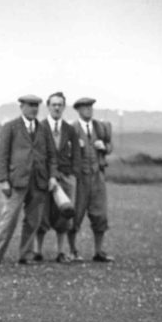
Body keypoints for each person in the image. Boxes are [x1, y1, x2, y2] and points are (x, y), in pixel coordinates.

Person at [0, 94, 57, 265]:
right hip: (16, 182)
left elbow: (52, 156)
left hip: (39, 182)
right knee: (8, 220)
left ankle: (25, 255)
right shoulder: (11, 127)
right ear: (21, 107)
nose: (34, 108)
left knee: (33, 221)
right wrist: (3, 179)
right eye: (30, 105)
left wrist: (52, 176)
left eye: (36, 105)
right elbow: (1, 155)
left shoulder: (43, 129)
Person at [30, 91, 81, 263]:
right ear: (48, 106)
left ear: (64, 107)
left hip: (65, 178)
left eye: (60, 105)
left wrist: (72, 174)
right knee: (42, 214)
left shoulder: (70, 130)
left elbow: (76, 154)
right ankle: (38, 251)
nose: (57, 108)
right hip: (44, 178)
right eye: (54, 104)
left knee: (64, 215)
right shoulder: (40, 127)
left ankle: (61, 252)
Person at [71, 97, 114, 262]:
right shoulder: (72, 128)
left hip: (97, 176)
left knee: (100, 214)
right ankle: (72, 250)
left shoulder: (101, 127)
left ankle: (99, 251)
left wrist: (104, 147)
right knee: (75, 214)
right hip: (80, 178)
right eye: (85, 107)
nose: (89, 110)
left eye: (90, 107)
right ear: (78, 110)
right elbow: (64, 149)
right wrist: (76, 146)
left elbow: (110, 146)